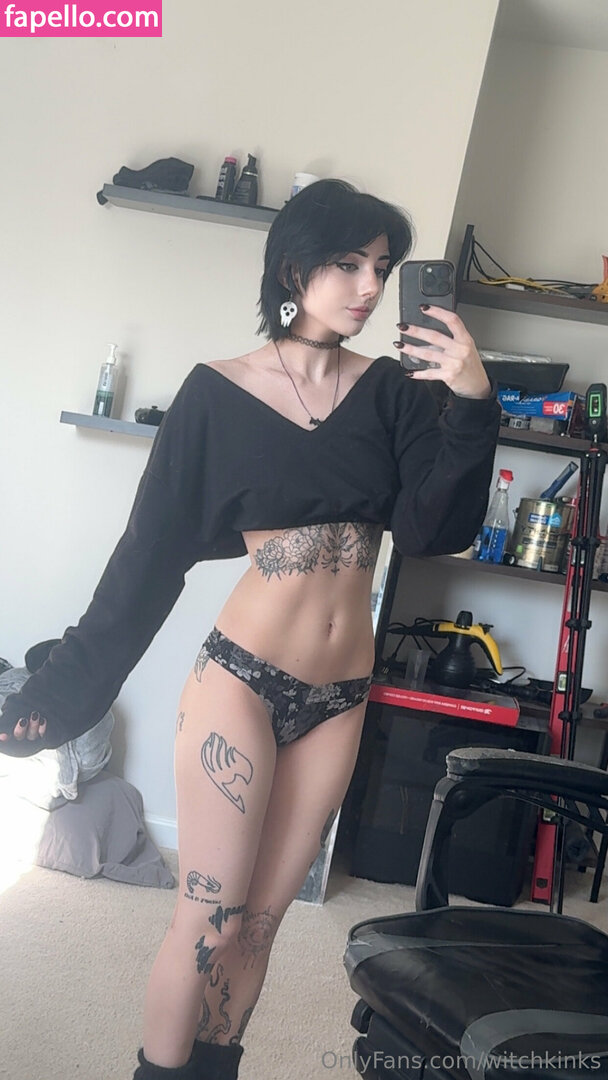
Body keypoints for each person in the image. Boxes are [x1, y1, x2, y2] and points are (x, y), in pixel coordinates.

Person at [0, 179, 500, 1079]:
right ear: (295, 268)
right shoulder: (215, 395)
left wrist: (469, 405)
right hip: (242, 680)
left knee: (262, 925)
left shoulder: (394, 392)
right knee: (210, 916)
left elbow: (434, 529)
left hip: (340, 696)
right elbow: (146, 562)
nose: (369, 286)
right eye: (348, 264)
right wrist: (56, 696)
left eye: (381, 268)